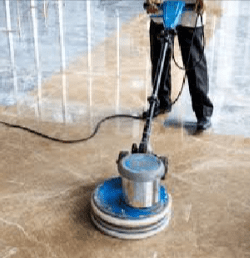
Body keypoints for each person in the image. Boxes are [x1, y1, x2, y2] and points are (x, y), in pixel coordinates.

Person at [143, 0, 213, 131]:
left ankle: (203, 112)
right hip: (161, 6)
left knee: (193, 60)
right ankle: (161, 101)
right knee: (158, 57)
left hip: (189, 6)